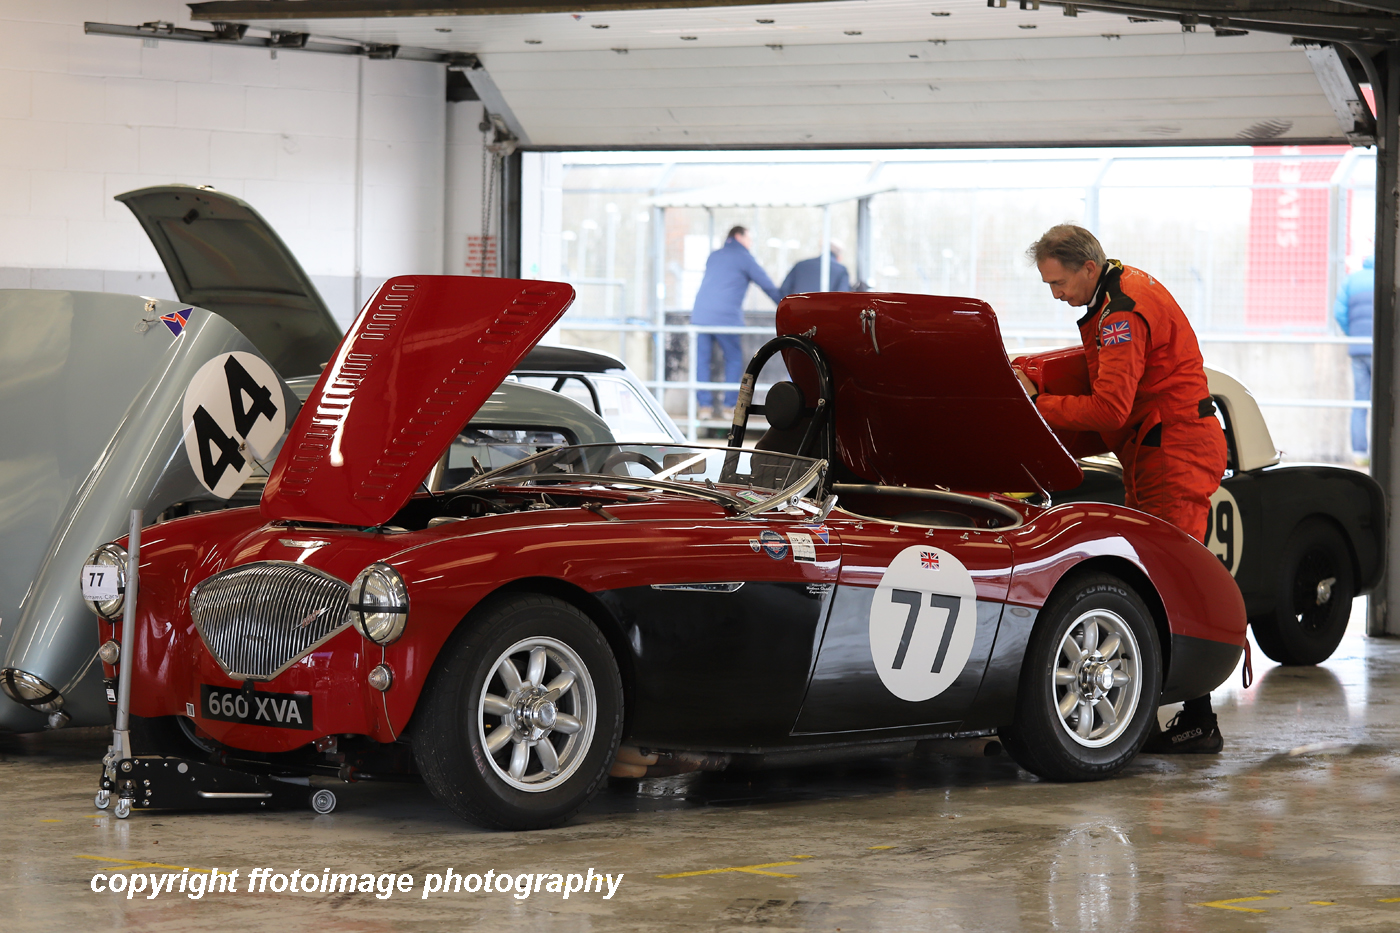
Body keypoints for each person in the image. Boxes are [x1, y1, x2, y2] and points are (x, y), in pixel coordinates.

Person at [1017, 224, 1229, 754]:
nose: (1057, 295)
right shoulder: (1118, 292)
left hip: (1174, 453)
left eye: (1059, 283)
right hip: (1156, 447)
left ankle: (1195, 720)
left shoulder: (1121, 314)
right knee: (1158, 582)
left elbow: (1109, 408)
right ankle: (1168, 717)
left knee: (1165, 586)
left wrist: (1035, 404)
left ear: (1088, 268)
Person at [691, 226, 783, 420]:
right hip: (726, 318)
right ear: (739, 236)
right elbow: (767, 285)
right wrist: (785, 305)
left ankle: (704, 408)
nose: (750, 243)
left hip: (700, 316)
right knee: (733, 359)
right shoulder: (744, 257)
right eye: (749, 238)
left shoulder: (714, 255)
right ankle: (729, 407)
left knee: (702, 361)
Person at [1333, 255, 1374, 461]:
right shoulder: (1385, 278)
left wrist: (1354, 335)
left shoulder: (1351, 280)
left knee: (1360, 399)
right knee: (1386, 399)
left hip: (1358, 349)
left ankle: (1360, 454)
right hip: (1382, 348)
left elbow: (1338, 312)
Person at [779, 241, 852, 297]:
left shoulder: (800, 265)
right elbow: (842, 295)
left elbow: (784, 290)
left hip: (797, 313)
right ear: (839, 257)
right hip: (825, 314)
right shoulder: (841, 270)